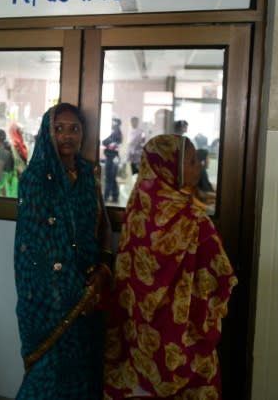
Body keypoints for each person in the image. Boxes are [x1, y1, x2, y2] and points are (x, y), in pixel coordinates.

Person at [104, 135, 238, 399]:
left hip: (139, 339)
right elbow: (220, 279)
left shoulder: (136, 210)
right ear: (168, 169)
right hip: (181, 339)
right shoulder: (195, 222)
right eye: (190, 161)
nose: (198, 166)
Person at [14, 103, 114, 399]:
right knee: (48, 376)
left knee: (85, 372)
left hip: (91, 295)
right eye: (59, 129)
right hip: (50, 302)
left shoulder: (87, 173)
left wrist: (103, 270)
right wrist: (70, 292)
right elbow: (35, 248)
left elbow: (103, 225)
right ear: (47, 133)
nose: (67, 136)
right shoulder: (33, 180)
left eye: (74, 129)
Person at [102, 116, 123, 203]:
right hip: (113, 158)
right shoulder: (115, 133)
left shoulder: (117, 134)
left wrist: (108, 144)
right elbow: (105, 142)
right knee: (112, 178)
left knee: (109, 178)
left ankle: (106, 197)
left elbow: (109, 144)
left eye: (113, 122)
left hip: (112, 158)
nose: (111, 124)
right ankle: (115, 196)